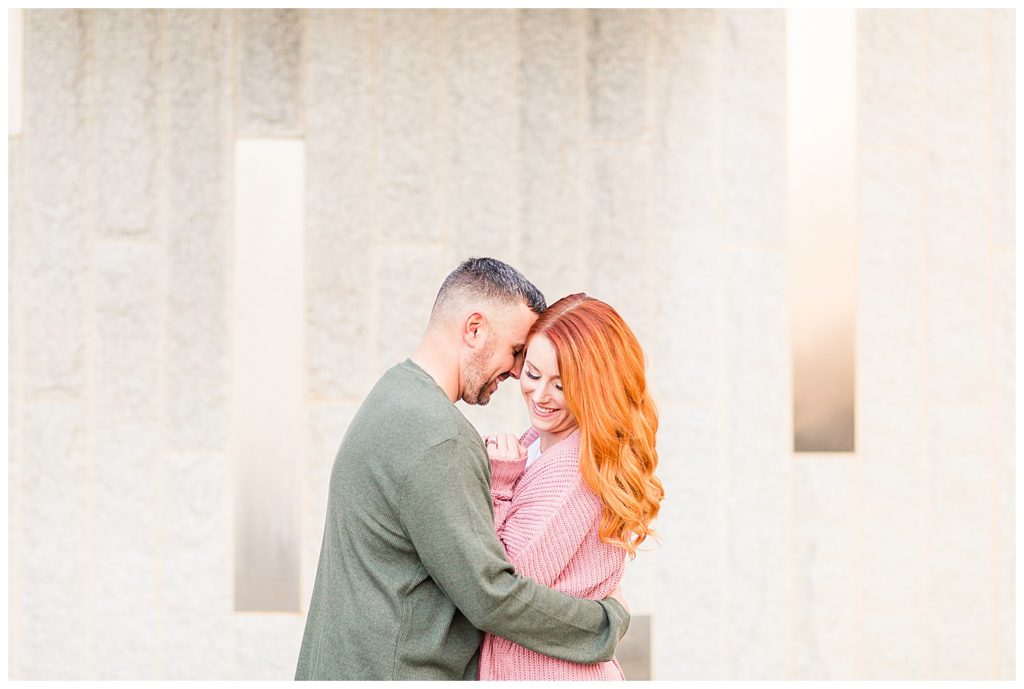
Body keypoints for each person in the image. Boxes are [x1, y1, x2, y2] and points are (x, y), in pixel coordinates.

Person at [295, 259, 630, 681]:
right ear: (474, 329)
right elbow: (492, 595)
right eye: (515, 353)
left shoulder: (392, 394)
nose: (513, 373)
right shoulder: (442, 439)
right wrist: (606, 622)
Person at [478, 293, 664, 680]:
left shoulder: (573, 471)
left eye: (561, 385)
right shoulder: (542, 445)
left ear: (595, 387)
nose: (541, 395)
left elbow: (499, 585)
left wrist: (498, 484)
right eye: (532, 374)